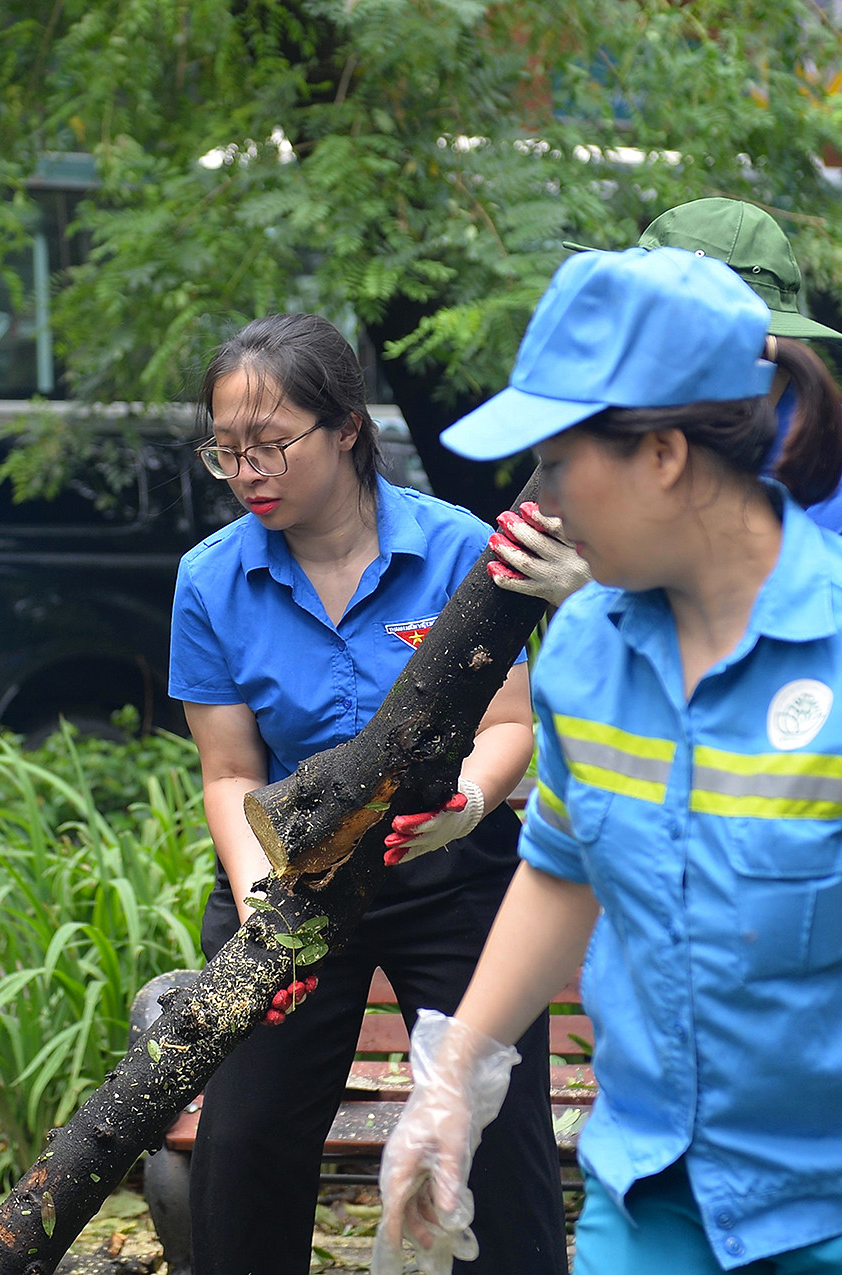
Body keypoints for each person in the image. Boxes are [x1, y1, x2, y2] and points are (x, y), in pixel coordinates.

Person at [372, 245, 842, 1275]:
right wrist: (457, 1078)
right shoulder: (586, 650)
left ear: (664, 454)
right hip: (655, 1197)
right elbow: (565, 868)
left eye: (557, 462)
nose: (539, 501)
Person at [170, 313, 565, 1275]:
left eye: (270, 444)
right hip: (287, 874)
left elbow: (509, 724)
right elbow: (231, 773)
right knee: (246, 1141)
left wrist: (465, 804)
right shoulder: (211, 580)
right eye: (226, 452)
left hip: (451, 862)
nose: (248, 472)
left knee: (497, 1139)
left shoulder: (460, 548)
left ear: (348, 426)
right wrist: (264, 903)